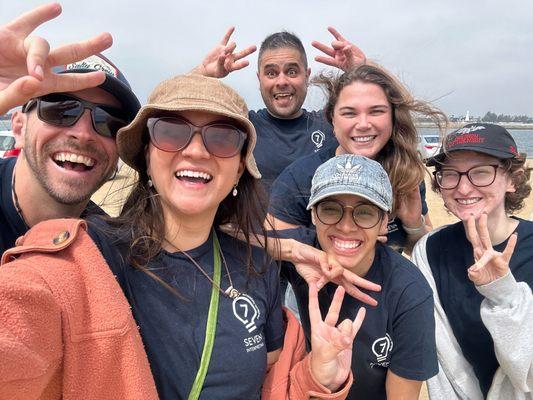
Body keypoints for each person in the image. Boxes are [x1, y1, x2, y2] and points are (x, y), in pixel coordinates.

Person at [0, 74, 368, 400]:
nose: (195, 150)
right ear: (146, 154)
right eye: (171, 131)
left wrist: (314, 379)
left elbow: (271, 385)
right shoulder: (83, 260)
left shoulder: (257, 267)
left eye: (222, 138)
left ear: (240, 167)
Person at [282, 153, 438, 399]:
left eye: (364, 212)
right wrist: (289, 250)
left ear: (384, 222)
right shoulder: (302, 253)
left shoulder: (409, 291)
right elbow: (225, 233)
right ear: (313, 215)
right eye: (331, 209)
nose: (346, 226)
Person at [0, 4, 140, 254]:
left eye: (110, 121)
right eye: (60, 109)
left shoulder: (110, 251)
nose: (83, 133)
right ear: (19, 127)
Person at [268, 64, 446, 253]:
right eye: (349, 113)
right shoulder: (300, 178)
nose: (363, 124)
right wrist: (340, 241)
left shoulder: (404, 171)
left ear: (393, 117)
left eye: (376, 111)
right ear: (332, 119)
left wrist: (413, 225)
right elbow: (270, 245)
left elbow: (418, 250)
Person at [412, 123, 533, 399]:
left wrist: (503, 294)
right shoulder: (429, 251)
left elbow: (527, 375)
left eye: (481, 172)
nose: (464, 188)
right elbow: (445, 366)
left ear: (513, 179)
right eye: (451, 175)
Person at [194, 27, 365, 193]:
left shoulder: (332, 125)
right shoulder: (244, 127)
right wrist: (202, 72)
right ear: (259, 79)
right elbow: (170, 109)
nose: (281, 81)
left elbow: (386, 116)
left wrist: (363, 69)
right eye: (271, 73)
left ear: (307, 76)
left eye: (291, 72)